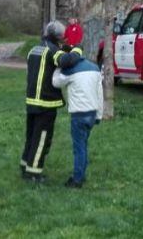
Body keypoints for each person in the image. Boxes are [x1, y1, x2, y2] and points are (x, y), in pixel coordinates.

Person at [20, 21, 82, 182]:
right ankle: (33, 173)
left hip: (31, 100)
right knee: (42, 138)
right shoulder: (52, 50)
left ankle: (25, 164)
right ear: (58, 36)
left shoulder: (34, 49)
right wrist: (76, 49)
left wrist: (63, 50)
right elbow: (65, 61)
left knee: (31, 135)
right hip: (45, 103)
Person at [52, 57, 103, 189]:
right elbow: (100, 93)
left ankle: (77, 179)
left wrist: (58, 67)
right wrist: (99, 115)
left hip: (79, 114)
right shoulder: (95, 68)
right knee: (83, 145)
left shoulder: (71, 70)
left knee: (79, 148)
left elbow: (56, 82)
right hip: (91, 113)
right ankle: (81, 174)